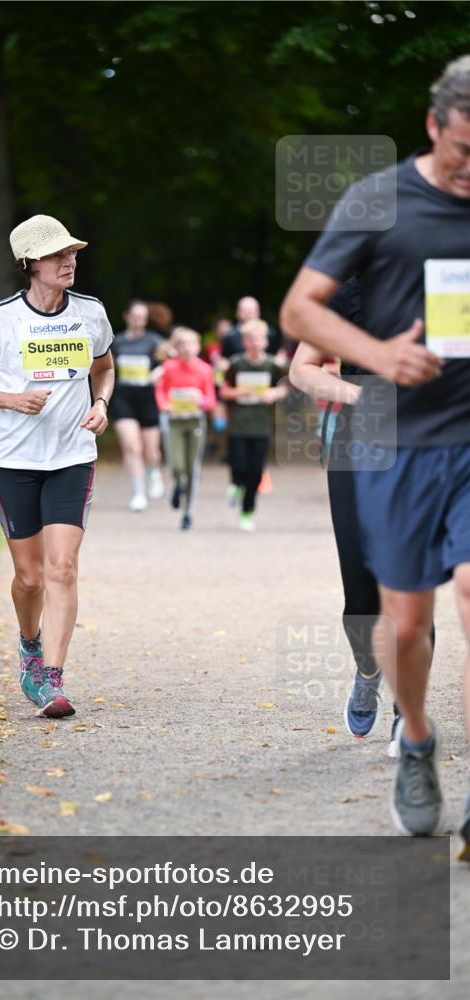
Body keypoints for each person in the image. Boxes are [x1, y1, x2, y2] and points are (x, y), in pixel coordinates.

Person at [280, 56, 470, 848]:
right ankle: (416, 741)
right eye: (464, 149)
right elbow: (298, 312)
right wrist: (379, 362)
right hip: (392, 439)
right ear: (434, 126)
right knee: (399, 621)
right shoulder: (379, 201)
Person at [0, 214, 114, 719]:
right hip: (12, 462)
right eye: (56, 255)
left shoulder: (91, 312)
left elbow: (105, 367)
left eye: (71, 253)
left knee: (62, 568)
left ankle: (51, 677)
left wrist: (103, 403)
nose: (69, 261)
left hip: (72, 456)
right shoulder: (1, 317)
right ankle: (30, 645)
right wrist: (11, 399)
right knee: (29, 578)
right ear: (30, 264)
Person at [290, 278, 436, 754]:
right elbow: (302, 369)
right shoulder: (348, 292)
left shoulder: (446, 284)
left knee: (411, 589)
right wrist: (360, 396)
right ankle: (369, 669)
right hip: (356, 449)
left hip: (423, 449)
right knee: (359, 595)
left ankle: (406, 717)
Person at [220, 320, 288, 531]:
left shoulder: (272, 365)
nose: (257, 343)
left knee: (256, 472)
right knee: (239, 466)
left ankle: (247, 512)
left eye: (261, 338)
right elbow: (223, 391)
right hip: (239, 425)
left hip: (262, 426)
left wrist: (275, 393)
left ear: (266, 341)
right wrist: (237, 393)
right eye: (252, 339)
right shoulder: (236, 364)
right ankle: (237, 486)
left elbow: (285, 386)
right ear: (244, 342)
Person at [154, 327, 216, 530]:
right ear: (177, 347)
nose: (188, 348)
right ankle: (177, 484)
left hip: (195, 421)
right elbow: (161, 392)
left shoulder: (205, 369)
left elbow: (211, 400)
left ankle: (188, 513)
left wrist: (201, 400)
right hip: (174, 422)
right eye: (183, 344)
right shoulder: (169, 368)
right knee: (176, 464)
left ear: (198, 347)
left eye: (191, 344)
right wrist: (165, 405)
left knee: (193, 468)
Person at [110, 300, 168, 510]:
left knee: (150, 451)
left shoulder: (154, 341)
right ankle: (138, 493)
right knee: (131, 446)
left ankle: (153, 471)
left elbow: (170, 363)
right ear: (126, 316)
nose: (138, 322)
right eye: (135, 317)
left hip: (148, 398)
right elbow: (105, 366)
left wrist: (159, 372)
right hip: (123, 397)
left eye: (142, 318)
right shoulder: (116, 342)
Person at [221, 296, 283, 360]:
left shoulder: (270, 333)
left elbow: (278, 356)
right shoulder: (230, 336)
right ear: (237, 313)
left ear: (258, 312)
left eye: (251, 311)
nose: (248, 314)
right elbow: (224, 360)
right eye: (244, 311)